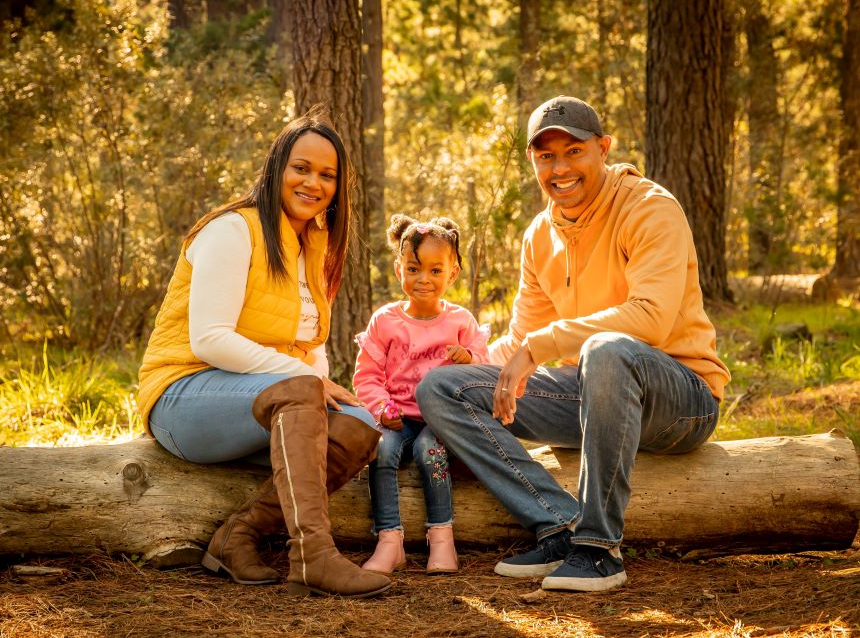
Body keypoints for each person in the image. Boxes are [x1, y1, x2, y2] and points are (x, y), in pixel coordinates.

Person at [416, 96, 730, 592]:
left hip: (681, 399)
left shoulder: (649, 208)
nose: (560, 168)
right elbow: (521, 340)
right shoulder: (540, 233)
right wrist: (465, 361)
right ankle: (558, 524)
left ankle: (599, 548)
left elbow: (650, 317)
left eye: (574, 151)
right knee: (441, 388)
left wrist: (541, 346)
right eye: (546, 156)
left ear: (603, 149)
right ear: (532, 162)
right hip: (593, 396)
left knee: (606, 350)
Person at [137, 106, 391, 598]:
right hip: (181, 398)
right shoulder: (232, 230)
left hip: (261, 400)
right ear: (277, 167)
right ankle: (314, 556)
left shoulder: (314, 246)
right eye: (301, 167)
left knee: (361, 425)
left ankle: (241, 534)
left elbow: (306, 348)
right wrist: (308, 382)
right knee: (302, 388)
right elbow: (209, 338)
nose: (313, 183)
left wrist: (326, 389)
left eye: (327, 174)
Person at [353, 214, 490, 575]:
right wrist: (382, 408)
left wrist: (470, 357)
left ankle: (442, 539)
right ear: (400, 270)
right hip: (396, 418)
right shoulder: (385, 321)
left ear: (453, 273)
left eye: (434, 270)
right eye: (414, 269)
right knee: (380, 449)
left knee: (431, 452)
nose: (423, 279)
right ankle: (389, 540)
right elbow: (367, 377)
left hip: (439, 420)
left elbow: (484, 374)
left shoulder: (461, 322)